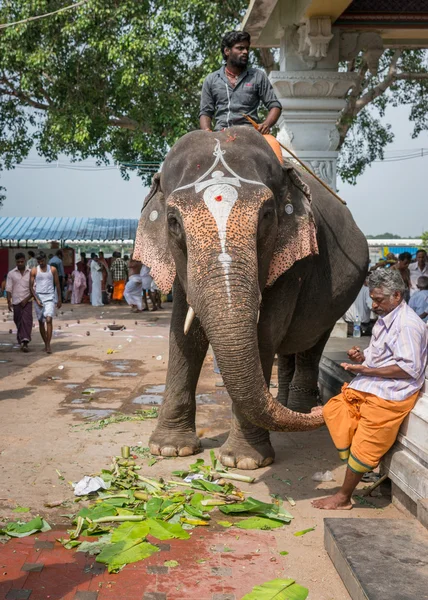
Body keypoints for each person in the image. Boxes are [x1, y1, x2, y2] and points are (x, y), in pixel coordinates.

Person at [312, 269, 428, 511]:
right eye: (372, 299)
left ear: (397, 296)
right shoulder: (386, 319)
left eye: (379, 300)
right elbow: (380, 358)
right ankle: (358, 470)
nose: (373, 305)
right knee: (335, 409)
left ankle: (344, 497)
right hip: (372, 385)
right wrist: (362, 357)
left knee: (366, 444)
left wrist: (366, 370)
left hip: (391, 395)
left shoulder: (407, 325)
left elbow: (409, 369)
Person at [199, 31, 282, 160]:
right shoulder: (211, 79)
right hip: (221, 134)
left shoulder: (258, 76)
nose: (245, 52)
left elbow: (275, 105)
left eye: (247, 48)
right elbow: (205, 112)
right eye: (240, 48)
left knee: (275, 150)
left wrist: (266, 124)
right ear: (227, 51)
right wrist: (206, 132)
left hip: (251, 134)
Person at [30, 251, 62, 354]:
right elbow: (30, 286)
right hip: (39, 297)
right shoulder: (34, 270)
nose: (41, 263)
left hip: (50, 297)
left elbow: (57, 284)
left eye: (42, 261)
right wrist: (36, 299)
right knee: (41, 322)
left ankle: (48, 345)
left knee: (49, 319)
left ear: (46, 260)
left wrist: (60, 299)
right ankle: (46, 343)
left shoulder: (52, 269)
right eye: (39, 261)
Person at [6, 252, 33, 352]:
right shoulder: (11, 274)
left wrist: (26, 299)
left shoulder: (30, 273)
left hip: (28, 301)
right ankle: (21, 336)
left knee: (27, 321)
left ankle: (25, 342)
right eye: (18, 262)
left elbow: (33, 289)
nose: (20, 263)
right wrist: (9, 301)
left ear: (25, 261)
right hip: (16, 302)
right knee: (18, 321)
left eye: (22, 261)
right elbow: (9, 288)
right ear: (16, 262)